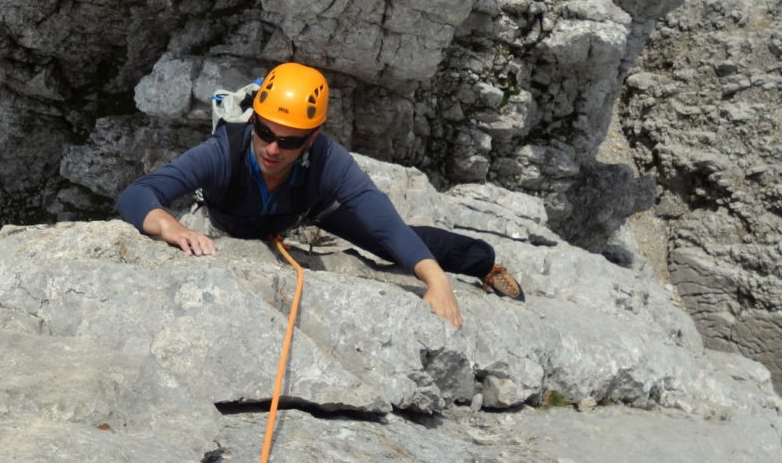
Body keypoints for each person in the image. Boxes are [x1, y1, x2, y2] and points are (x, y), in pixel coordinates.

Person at [116, 62, 522, 328]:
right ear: (253, 121)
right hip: (232, 218)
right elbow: (138, 194)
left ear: (312, 139)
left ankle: (482, 262)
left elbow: (383, 221)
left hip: (303, 210)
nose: (273, 149)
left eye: (289, 142)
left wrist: (435, 281)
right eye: (265, 133)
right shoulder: (224, 151)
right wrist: (168, 226)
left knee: (390, 242)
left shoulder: (327, 160)